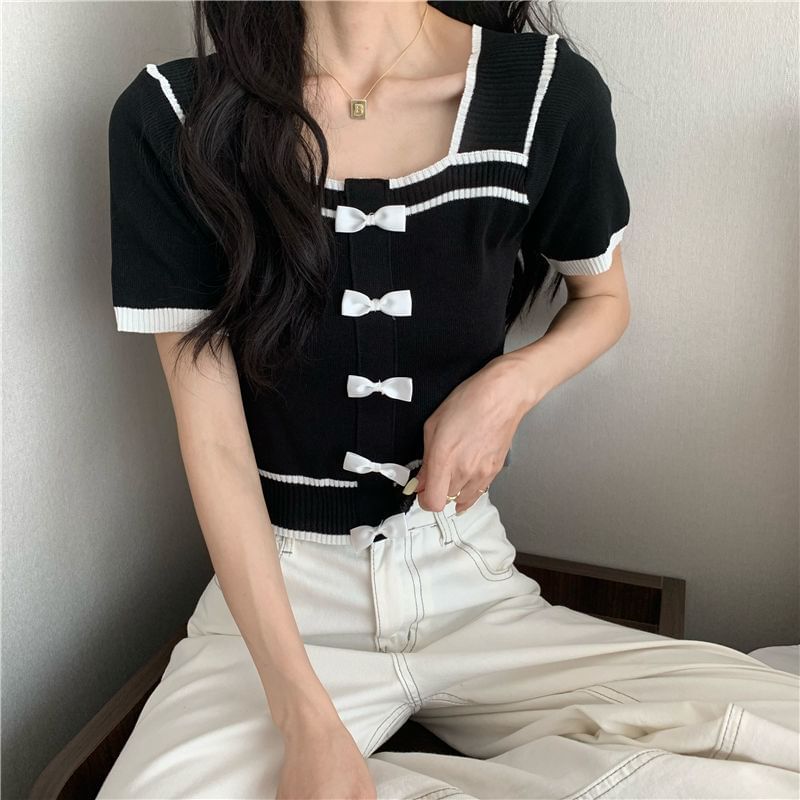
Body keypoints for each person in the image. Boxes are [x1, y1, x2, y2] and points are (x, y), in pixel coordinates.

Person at [99, 2, 800, 798]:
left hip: (466, 578)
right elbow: (215, 442)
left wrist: (510, 385)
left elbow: (603, 300)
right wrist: (304, 716)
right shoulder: (175, 118)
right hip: (278, 599)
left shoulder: (544, 94)